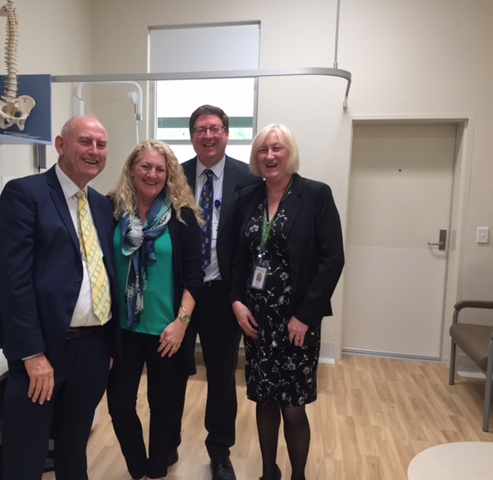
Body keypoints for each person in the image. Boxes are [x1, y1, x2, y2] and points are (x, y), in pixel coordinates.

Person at [0, 116, 120, 480]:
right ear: (61, 145)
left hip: (93, 349)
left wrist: (107, 344)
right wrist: (33, 355)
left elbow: (103, 272)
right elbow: (13, 283)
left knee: (74, 447)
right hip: (44, 351)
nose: (94, 151)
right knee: (26, 455)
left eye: (101, 144)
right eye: (85, 142)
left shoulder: (101, 205)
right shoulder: (25, 194)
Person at [230, 124, 345, 480]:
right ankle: (268, 471)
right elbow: (238, 256)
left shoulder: (315, 195)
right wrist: (236, 301)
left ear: (289, 152)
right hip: (257, 321)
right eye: (263, 150)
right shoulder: (249, 197)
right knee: (264, 399)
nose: (270, 156)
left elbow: (332, 259)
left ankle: (298, 475)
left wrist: (305, 316)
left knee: (293, 407)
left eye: (277, 148)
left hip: (297, 322)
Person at [107, 140, 204, 480]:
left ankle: (157, 471)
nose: (152, 174)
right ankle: (139, 469)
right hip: (123, 330)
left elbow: (195, 277)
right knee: (119, 405)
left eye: (160, 169)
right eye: (145, 166)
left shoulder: (183, 217)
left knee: (165, 408)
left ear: (169, 175)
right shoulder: (111, 211)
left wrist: (181, 323)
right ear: (132, 169)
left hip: (167, 330)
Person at [179, 105, 262, 480]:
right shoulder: (174, 176)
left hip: (222, 294)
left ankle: (220, 452)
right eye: (199, 129)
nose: (207, 136)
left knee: (222, 376)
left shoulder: (248, 178)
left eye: (214, 129)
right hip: (180, 293)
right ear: (192, 135)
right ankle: (165, 444)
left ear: (227, 133)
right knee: (170, 372)